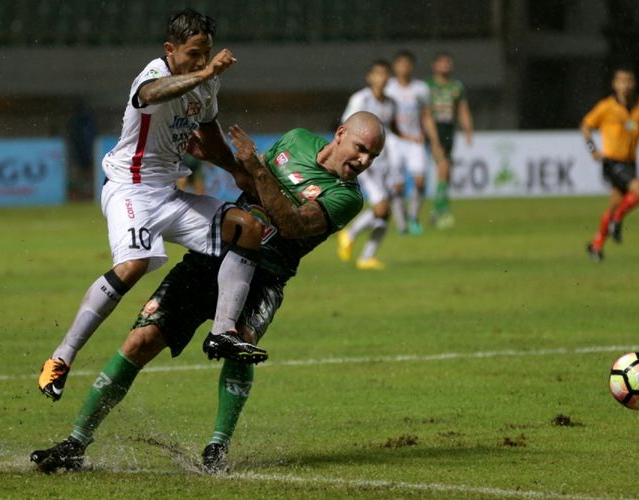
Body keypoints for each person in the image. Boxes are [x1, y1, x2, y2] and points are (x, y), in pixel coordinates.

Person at [30, 112, 386, 474]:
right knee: (140, 340)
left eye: (373, 157)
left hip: (266, 278)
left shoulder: (347, 197)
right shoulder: (296, 139)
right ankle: (75, 443)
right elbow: (248, 180)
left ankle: (217, 448)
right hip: (214, 255)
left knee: (240, 344)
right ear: (340, 134)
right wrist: (219, 158)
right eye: (361, 150)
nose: (364, 162)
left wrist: (259, 171)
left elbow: (293, 225)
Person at [38, 8, 267, 402]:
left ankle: (222, 334)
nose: (200, 60)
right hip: (129, 189)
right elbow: (150, 96)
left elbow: (210, 138)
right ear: (170, 50)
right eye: (193, 53)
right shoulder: (154, 75)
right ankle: (61, 357)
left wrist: (235, 171)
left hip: (167, 193)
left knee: (247, 228)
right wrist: (205, 73)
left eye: (206, 53)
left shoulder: (206, 85)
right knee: (134, 264)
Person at [582, 66, 639, 262]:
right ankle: (616, 222)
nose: (625, 86)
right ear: (614, 84)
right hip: (612, 162)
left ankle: (596, 245)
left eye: (629, 81)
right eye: (621, 81)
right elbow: (586, 126)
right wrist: (593, 149)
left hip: (630, 163)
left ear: (634, 84)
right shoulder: (606, 107)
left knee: (615, 206)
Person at [337, 60, 400, 271]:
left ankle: (367, 257)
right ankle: (350, 234)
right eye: (377, 74)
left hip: (385, 162)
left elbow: (391, 132)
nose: (381, 78)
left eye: (385, 74)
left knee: (386, 213)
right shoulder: (360, 99)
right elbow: (346, 127)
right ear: (370, 77)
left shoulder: (391, 103)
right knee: (381, 208)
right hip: (365, 163)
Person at [385, 50, 445, 235]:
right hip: (393, 141)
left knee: (420, 182)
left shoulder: (420, 89)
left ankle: (412, 217)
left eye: (407, 64)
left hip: (416, 140)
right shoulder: (388, 88)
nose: (404, 67)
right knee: (398, 186)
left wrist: (434, 142)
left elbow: (427, 117)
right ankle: (402, 224)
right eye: (400, 63)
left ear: (412, 66)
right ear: (395, 66)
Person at [427, 52, 474, 229]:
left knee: (446, 171)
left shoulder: (456, 87)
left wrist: (468, 130)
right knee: (443, 167)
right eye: (441, 62)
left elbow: (463, 109)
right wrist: (430, 137)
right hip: (433, 129)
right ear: (434, 66)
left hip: (448, 129)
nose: (445, 65)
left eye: (448, 62)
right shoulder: (427, 86)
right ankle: (442, 211)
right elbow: (424, 112)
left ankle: (437, 211)